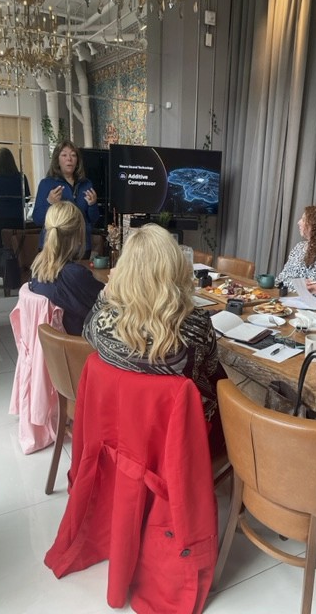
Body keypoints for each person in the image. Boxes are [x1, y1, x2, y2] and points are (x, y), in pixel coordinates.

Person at [83, 223, 227, 454]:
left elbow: (86, 331)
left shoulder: (101, 323)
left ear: (124, 270)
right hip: (183, 441)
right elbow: (211, 369)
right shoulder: (197, 324)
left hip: (122, 432)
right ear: (176, 268)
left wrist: (107, 292)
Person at [29, 201, 104, 336]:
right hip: (82, 343)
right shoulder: (75, 275)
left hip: (56, 345)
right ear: (79, 235)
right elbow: (109, 305)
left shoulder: (37, 271)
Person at [33, 140, 99, 259]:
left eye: (73, 155)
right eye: (64, 155)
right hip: (54, 247)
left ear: (77, 161)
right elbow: (38, 219)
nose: (69, 159)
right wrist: (50, 203)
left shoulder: (86, 184)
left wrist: (92, 205)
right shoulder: (46, 184)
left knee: (79, 272)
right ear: (57, 161)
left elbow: (93, 220)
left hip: (81, 246)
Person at [0, 148, 30, 287]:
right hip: (16, 216)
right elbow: (27, 198)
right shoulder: (21, 177)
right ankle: (15, 277)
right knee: (15, 247)